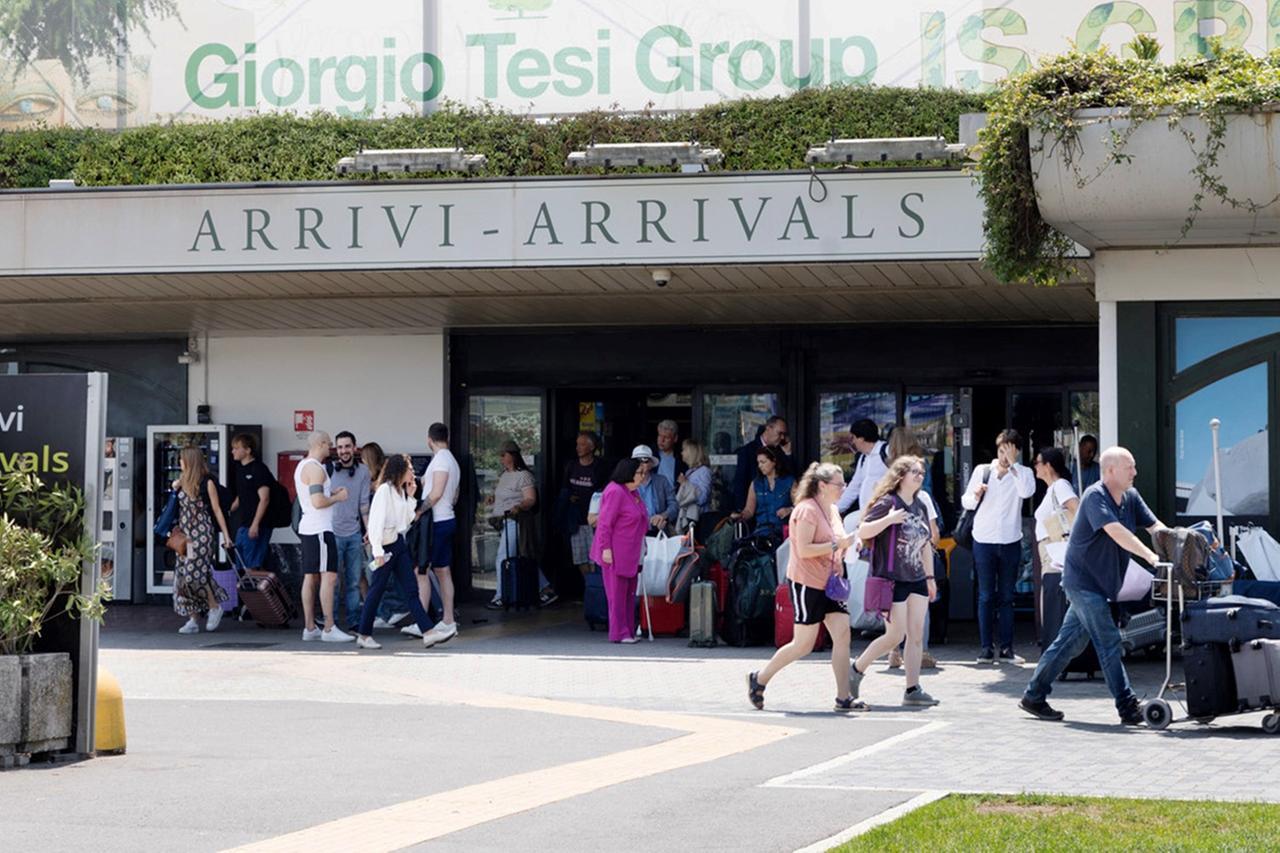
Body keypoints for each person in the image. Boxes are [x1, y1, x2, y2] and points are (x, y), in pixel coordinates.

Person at [1020, 447, 1166, 725]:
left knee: (1069, 643)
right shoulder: (1094, 496)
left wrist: (1182, 539)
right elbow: (1116, 531)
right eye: (1130, 467)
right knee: (1108, 640)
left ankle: (1034, 695)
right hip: (1083, 582)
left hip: (1101, 585)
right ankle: (1128, 706)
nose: (1135, 472)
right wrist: (1148, 555)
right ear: (1111, 470)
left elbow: (1155, 526)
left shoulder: (1131, 497)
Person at [747, 463, 859, 712]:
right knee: (803, 644)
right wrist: (836, 546)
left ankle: (844, 697)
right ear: (822, 485)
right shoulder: (806, 510)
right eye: (839, 484)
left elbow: (839, 541)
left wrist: (843, 553)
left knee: (842, 635)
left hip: (829, 583)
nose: (844, 488)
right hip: (807, 582)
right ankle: (760, 678)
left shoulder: (832, 510)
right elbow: (804, 549)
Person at [849, 455, 941, 707]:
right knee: (894, 636)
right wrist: (889, 519)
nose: (919, 476)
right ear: (900, 476)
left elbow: (924, 545)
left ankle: (912, 689)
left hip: (917, 577)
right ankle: (856, 669)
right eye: (914, 471)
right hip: (892, 579)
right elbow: (864, 530)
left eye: (921, 472)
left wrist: (930, 577)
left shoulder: (920, 505)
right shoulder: (888, 502)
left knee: (916, 635)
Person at [961, 428, 1035, 664]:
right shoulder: (983, 471)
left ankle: (1006, 648)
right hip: (983, 539)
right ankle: (985, 648)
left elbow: (1027, 492)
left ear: (1017, 452)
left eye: (1010, 451)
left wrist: (1013, 466)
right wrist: (975, 494)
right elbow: (967, 502)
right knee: (985, 596)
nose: (1005, 455)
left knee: (1006, 596)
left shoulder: (1023, 473)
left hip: (1010, 540)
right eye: (1002, 450)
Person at [356, 454, 440, 650]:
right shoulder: (384, 491)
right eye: (410, 468)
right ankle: (364, 634)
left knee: (411, 590)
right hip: (384, 548)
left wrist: (411, 497)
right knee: (376, 591)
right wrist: (377, 551)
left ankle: (428, 632)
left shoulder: (399, 492)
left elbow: (406, 522)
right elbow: (376, 523)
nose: (412, 472)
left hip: (397, 545)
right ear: (400, 470)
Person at [883, 427, 940, 670]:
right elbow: (931, 535)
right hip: (914, 560)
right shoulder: (922, 496)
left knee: (894, 608)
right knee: (916, 610)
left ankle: (894, 651)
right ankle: (919, 650)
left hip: (894, 562)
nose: (918, 475)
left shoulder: (888, 480)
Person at [295, 430, 354, 643]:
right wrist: (338, 497)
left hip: (309, 529)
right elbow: (318, 502)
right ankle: (329, 627)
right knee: (329, 577)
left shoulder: (303, 466)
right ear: (320, 444)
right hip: (320, 529)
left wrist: (330, 494)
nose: (330, 448)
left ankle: (310, 627)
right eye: (328, 444)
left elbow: (315, 498)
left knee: (310, 577)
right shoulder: (315, 469)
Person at [487, 439, 557, 609]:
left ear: (512, 455)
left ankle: (501, 596)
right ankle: (546, 589)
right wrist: (494, 499)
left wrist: (519, 507)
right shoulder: (504, 475)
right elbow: (506, 494)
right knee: (523, 558)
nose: (501, 459)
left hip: (516, 522)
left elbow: (530, 499)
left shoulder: (524, 475)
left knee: (503, 558)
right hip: (504, 522)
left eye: (504, 455)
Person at [172, 446, 233, 634]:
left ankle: (214, 606)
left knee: (193, 574)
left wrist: (226, 535)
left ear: (189, 460)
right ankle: (193, 618)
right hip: (185, 536)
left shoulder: (207, 483)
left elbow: (217, 510)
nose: (179, 463)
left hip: (201, 535)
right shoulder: (180, 482)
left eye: (182, 459)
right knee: (185, 574)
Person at [590, 458, 650, 644]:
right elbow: (605, 523)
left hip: (631, 552)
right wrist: (605, 548)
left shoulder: (633, 493)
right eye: (640, 472)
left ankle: (628, 631)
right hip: (615, 551)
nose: (643, 476)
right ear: (629, 473)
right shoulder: (615, 491)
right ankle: (619, 633)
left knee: (629, 593)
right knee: (616, 595)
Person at [416, 422, 461, 648]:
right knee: (442, 571)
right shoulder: (450, 460)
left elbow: (436, 493)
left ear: (429, 439)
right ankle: (447, 620)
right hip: (446, 518)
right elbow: (453, 495)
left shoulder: (442, 460)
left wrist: (418, 511)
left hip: (438, 521)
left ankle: (424, 620)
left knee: (422, 568)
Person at [329, 430, 372, 631]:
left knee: (354, 581)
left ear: (354, 448)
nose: (344, 451)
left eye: (347, 446)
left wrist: (369, 529)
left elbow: (364, 504)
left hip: (354, 532)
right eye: (340, 447)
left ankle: (355, 621)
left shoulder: (363, 471)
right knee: (334, 581)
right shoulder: (328, 469)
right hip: (333, 532)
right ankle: (333, 621)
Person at [561, 431, 611, 579]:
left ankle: (597, 589)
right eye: (577, 444)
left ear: (591, 447)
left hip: (596, 520)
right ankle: (589, 587)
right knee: (580, 558)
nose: (578, 448)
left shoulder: (601, 467)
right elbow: (564, 489)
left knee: (596, 558)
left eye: (582, 444)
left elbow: (607, 492)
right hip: (576, 520)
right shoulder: (571, 466)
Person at [228, 432, 272, 571]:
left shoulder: (258, 469)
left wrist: (255, 524)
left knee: (251, 565)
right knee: (240, 562)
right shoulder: (239, 469)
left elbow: (264, 498)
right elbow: (242, 495)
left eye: (236, 448)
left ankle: (254, 591)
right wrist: (229, 509)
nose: (233, 451)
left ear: (247, 450)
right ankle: (244, 591)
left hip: (257, 525)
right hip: (244, 523)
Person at [1033, 447, 1080, 571]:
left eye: (1037, 463)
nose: (1035, 467)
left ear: (1047, 466)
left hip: (1056, 547)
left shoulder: (1060, 486)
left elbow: (1078, 510)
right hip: (1051, 548)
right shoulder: (1052, 489)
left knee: (1052, 587)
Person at [732, 415, 792, 511]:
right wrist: (742, 511)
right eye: (779, 433)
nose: (782, 437)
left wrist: (788, 454)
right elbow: (741, 482)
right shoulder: (747, 451)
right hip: (754, 511)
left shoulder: (781, 451)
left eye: (784, 434)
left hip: (778, 511)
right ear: (768, 428)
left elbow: (790, 477)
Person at [735, 445, 794, 541]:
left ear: (774, 461)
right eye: (758, 462)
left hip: (783, 534)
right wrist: (740, 515)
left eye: (763, 462)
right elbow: (749, 510)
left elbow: (800, 506)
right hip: (761, 533)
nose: (760, 466)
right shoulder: (756, 484)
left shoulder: (790, 481)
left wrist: (789, 509)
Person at [837, 419, 889, 515]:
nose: (852, 442)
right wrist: (834, 510)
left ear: (861, 438)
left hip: (886, 513)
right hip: (867, 515)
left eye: (853, 438)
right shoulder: (863, 458)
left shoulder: (886, 451)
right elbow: (854, 487)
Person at [634, 444, 677, 532]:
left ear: (651, 464)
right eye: (637, 460)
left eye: (645, 460)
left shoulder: (662, 481)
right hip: (634, 530)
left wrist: (663, 516)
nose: (641, 463)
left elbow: (674, 505)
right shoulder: (628, 483)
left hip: (657, 529)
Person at [675, 438, 712, 533]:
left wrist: (685, 484)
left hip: (699, 519)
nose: (681, 453)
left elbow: (702, 498)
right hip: (689, 518)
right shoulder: (689, 471)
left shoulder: (704, 471)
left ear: (691, 452)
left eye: (684, 450)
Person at [653, 419, 686, 488]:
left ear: (675, 439)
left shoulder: (681, 458)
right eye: (660, 436)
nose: (662, 440)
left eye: (666, 437)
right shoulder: (650, 455)